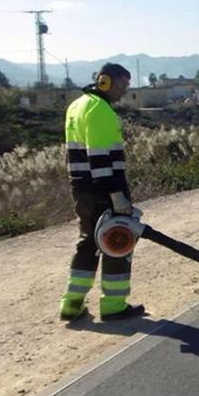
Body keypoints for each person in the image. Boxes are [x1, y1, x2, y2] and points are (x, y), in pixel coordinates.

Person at [59, 63, 146, 321]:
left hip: (81, 187)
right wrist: (117, 196)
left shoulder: (76, 106)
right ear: (105, 82)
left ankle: (72, 303)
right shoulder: (100, 110)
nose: (123, 92)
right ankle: (114, 306)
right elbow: (99, 159)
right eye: (121, 86)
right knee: (118, 241)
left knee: (88, 242)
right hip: (103, 189)